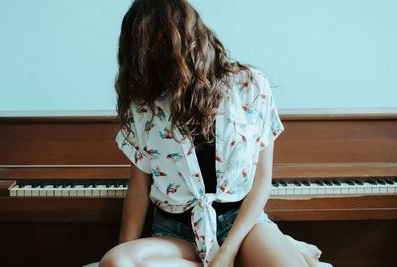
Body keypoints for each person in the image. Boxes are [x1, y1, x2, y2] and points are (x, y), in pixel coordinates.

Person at [100, 0, 332, 266]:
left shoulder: (250, 85)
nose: (153, 62)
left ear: (187, 41)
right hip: (176, 234)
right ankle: (280, 245)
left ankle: (277, 245)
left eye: (159, 49)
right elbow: (139, 187)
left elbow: (261, 180)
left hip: (242, 227)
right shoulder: (143, 104)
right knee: (115, 262)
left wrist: (227, 253)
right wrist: (126, 246)